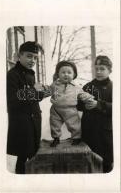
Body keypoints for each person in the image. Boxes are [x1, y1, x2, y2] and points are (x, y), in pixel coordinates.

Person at [7, 41, 45, 174]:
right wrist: (34, 90)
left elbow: (33, 98)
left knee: (33, 156)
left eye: (35, 57)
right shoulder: (12, 75)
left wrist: (44, 93)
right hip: (22, 122)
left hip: (34, 120)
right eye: (29, 56)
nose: (33, 60)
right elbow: (13, 101)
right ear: (19, 56)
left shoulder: (31, 74)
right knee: (23, 157)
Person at [77, 55, 113, 173]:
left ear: (109, 70)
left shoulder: (114, 87)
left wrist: (98, 104)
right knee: (89, 164)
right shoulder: (88, 86)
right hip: (89, 133)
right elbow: (78, 106)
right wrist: (84, 105)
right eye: (96, 68)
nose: (98, 71)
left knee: (106, 165)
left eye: (102, 69)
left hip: (106, 134)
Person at [49, 60, 93, 147]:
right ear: (58, 74)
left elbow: (82, 94)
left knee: (74, 124)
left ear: (74, 75)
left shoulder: (76, 87)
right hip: (56, 109)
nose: (66, 74)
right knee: (54, 124)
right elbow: (47, 91)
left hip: (70, 109)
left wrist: (88, 97)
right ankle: (56, 138)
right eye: (63, 72)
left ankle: (76, 138)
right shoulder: (54, 85)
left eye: (69, 72)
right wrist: (40, 92)